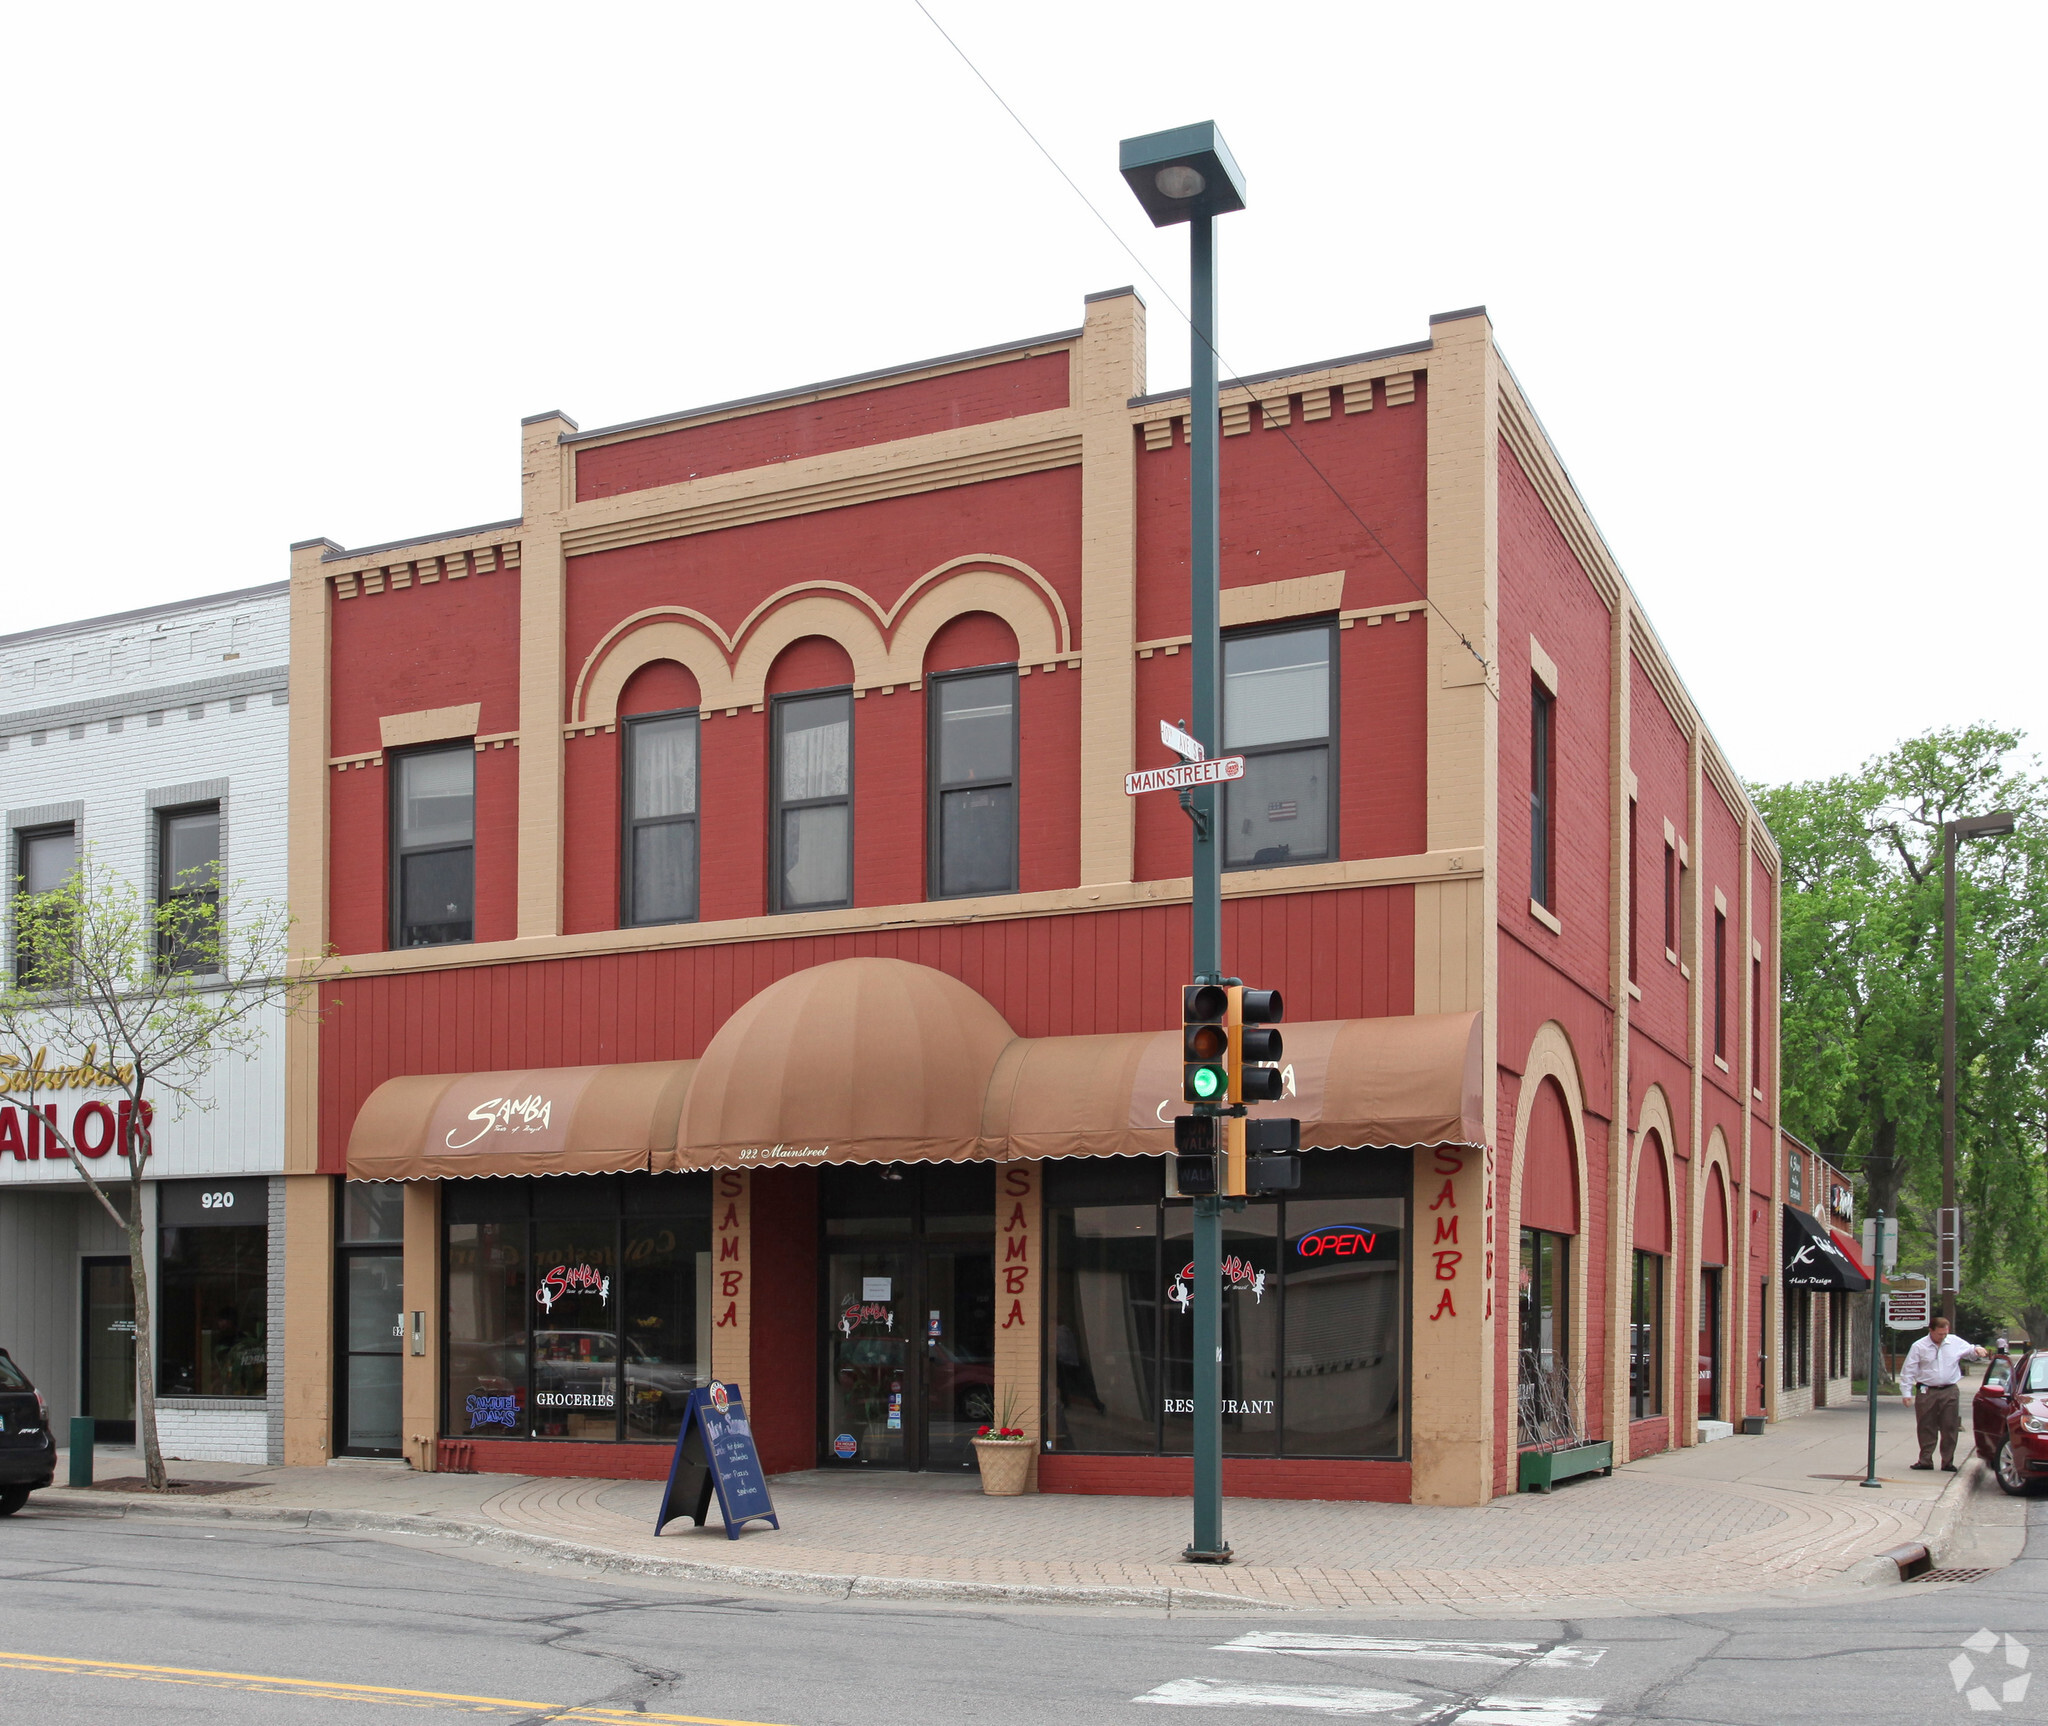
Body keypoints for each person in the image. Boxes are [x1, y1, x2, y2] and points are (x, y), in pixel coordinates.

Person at [1899, 1314, 1988, 1471]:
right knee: (1926, 1425)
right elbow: (1909, 1370)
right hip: (1927, 1390)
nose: (1943, 1336)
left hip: (1949, 1390)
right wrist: (1906, 1393)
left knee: (1949, 1426)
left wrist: (1977, 1350)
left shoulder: (1954, 1342)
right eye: (1940, 1333)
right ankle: (1925, 1460)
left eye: (1945, 1333)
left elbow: (1970, 1351)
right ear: (1931, 1330)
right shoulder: (1919, 1346)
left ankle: (1947, 1461)